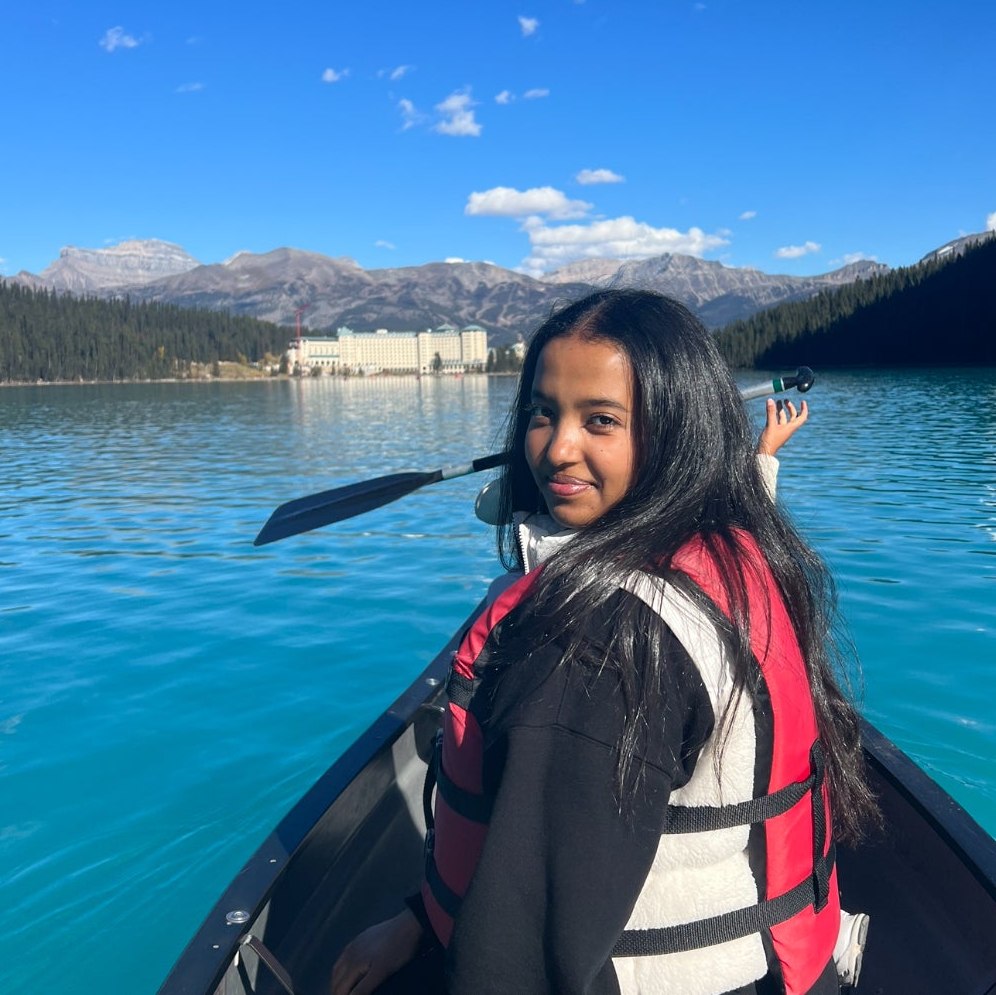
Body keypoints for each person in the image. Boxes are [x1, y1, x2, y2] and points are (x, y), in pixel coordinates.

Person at [332, 290, 876, 995]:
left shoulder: (596, 646)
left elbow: (520, 948)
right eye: (541, 413)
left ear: (674, 434)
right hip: (771, 967)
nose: (557, 448)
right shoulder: (732, 552)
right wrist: (420, 916)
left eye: (600, 421)